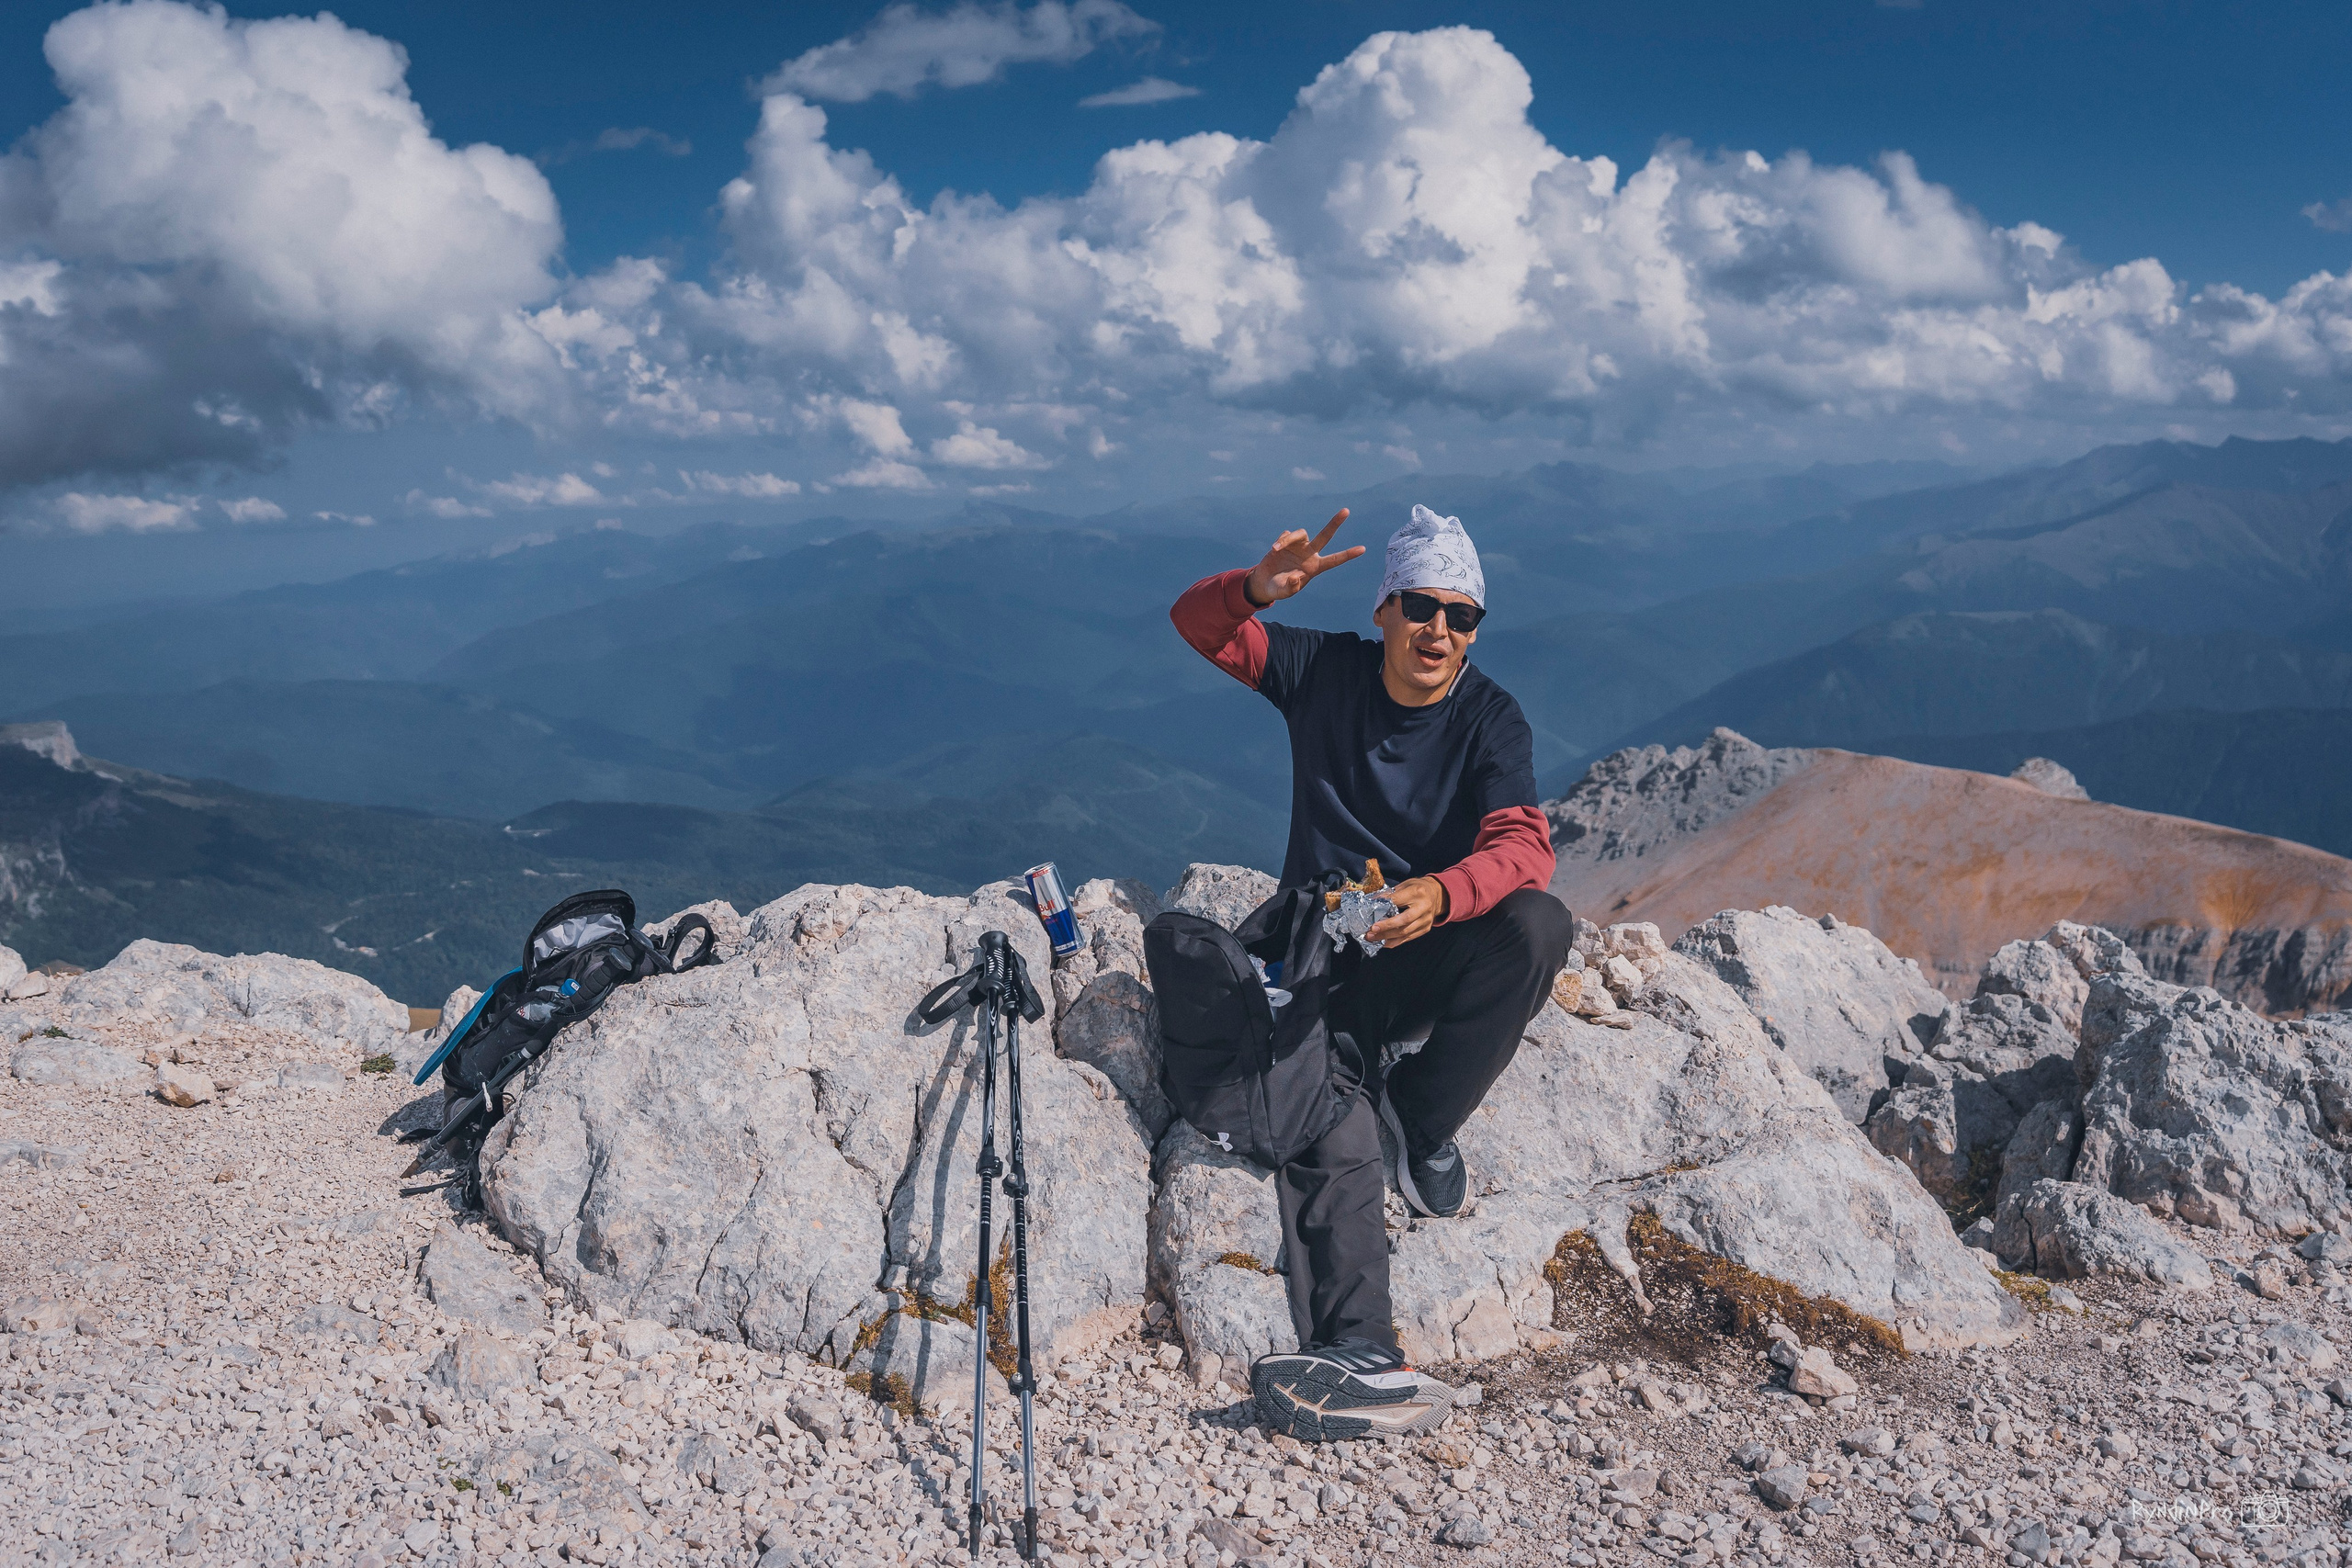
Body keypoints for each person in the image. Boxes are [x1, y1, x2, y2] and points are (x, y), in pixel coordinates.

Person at [1169, 502, 1575, 1440]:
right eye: (1421, 607)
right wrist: (1257, 591)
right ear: (1385, 609)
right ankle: (1357, 1344)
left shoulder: (1488, 717)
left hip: (1429, 935)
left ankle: (1423, 1121)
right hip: (1325, 948)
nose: (1439, 630)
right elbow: (1200, 627)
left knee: (1537, 926)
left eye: (1460, 615)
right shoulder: (1324, 670)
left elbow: (1524, 846)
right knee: (1326, 1109)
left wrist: (1439, 895)